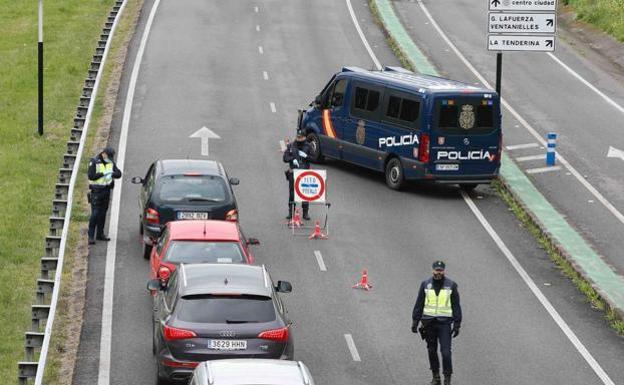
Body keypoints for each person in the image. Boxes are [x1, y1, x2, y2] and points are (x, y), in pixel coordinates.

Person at [412, 261, 462, 385]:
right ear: (432, 270)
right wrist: (415, 321)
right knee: (431, 350)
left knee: (446, 352)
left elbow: (456, 306)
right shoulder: (425, 284)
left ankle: (447, 378)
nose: (438, 272)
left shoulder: (451, 285)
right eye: (436, 270)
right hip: (429, 323)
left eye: (440, 270)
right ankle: (436, 376)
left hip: (444, 323)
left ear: (444, 271)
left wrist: (457, 324)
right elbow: (419, 303)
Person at [87, 147, 122, 245]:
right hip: (96, 192)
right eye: (108, 156)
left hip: (106, 191)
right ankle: (90, 236)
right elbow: (91, 175)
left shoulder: (110, 162)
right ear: (103, 154)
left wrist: (112, 174)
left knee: (103, 214)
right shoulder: (94, 161)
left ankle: (100, 234)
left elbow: (119, 174)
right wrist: (103, 173)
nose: (109, 159)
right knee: (95, 214)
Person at [283, 129, 312, 220]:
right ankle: (291, 212)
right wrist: (292, 159)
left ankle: (305, 213)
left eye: (301, 137)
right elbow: (285, 158)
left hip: (304, 172)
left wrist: (306, 156)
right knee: (292, 193)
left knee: (305, 192)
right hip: (293, 172)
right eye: (297, 137)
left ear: (304, 137)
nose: (298, 139)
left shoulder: (308, 146)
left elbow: (314, 158)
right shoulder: (291, 145)